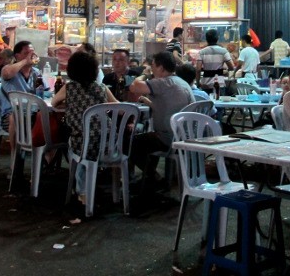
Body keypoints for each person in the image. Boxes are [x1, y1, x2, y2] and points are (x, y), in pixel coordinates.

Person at [51, 50, 118, 204]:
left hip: (82, 144)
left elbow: (54, 103)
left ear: (71, 69)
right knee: (89, 141)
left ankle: (83, 191)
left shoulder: (69, 88)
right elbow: (117, 105)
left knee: (76, 143)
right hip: (108, 144)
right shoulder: (101, 87)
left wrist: (70, 104)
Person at [128, 51, 195, 190]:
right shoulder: (181, 82)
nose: (151, 68)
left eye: (153, 65)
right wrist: (149, 102)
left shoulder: (163, 82)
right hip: (186, 136)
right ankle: (150, 178)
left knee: (130, 143)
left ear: (161, 68)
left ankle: (154, 177)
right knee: (147, 139)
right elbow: (171, 107)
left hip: (169, 138)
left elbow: (134, 87)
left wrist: (144, 73)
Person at [0, 41, 41, 156]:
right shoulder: (8, 69)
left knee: (51, 120)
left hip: (33, 113)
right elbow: (6, 74)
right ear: (17, 56)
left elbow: (46, 91)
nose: (31, 55)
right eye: (26, 53)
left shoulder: (36, 73)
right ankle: (15, 158)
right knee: (15, 117)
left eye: (32, 52)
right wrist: (25, 61)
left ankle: (46, 163)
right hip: (11, 115)